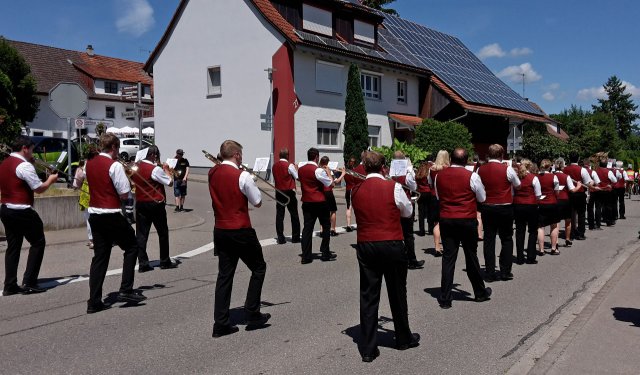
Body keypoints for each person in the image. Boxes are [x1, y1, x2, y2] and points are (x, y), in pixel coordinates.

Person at [350, 151, 420, 362]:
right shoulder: (394, 186)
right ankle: (403, 338)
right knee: (397, 291)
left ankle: (369, 348)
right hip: (391, 242)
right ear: (383, 168)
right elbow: (407, 212)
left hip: (366, 244)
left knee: (369, 295)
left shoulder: (355, 190)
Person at [209, 140, 270, 337]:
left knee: (225, 275)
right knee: (259, 267)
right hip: (240, 229)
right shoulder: (242, 175)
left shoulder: (212, 173)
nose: (241, 157)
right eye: (240, 154)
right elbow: (258, 202)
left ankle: (221, 323)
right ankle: (252, 313)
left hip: (220, 229)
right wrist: (250, 179)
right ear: (236, 155)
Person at [85, 134, 147, 314]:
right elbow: (125, 194)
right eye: (117, 148)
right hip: (111, 214)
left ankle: (94, 301)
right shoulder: (114, 165)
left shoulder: (90, 163)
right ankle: (126, 290)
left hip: (95, 214)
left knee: (100, 257)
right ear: (113, 147)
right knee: (132, 247)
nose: (118, 152)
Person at [0, 136, 58, 296]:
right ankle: (29, 282)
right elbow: (38, 188)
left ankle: (10, 285)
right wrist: (51, 180)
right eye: (32, 149)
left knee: (13, 246)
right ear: (25, 148)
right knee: (38, 242)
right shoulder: (24, 166)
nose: (33, 153)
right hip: (22, 210)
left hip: (6, 208)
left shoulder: (5, 163)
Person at [434, 147, 491, 309]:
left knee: (448, 258)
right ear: (466, 161)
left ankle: (445, 298)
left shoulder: (439, 176)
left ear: (451, 159)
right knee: (471, 256)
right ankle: (479, 292)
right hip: (466, 219)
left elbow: (439, 197)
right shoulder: (472, 176)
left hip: (447, 219)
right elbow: (482, 197)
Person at [131, 145, 179, 272]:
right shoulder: (154, 169)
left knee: (141, 235)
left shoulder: (135, 167)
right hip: (155, 203)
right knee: (162, 233)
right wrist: (167, 170)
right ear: (152, 155)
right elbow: (169, 182)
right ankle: (164, 261)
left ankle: (143, 263)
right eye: (156, 156)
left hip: (141, 203)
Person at [476, 144, 520, 282]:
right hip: (505, 207)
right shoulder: (507, 169)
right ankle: (505, 271)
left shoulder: (480, 170)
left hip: (488, 207)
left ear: (488, 155)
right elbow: (518, 185)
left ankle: (489, 272)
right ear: (502, 156)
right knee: (506, 238)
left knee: (489, 239)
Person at [298, 148, 335, 264]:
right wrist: (328, 172)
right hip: (320, 202)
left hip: (307, 202)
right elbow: (330, 183)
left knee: (307, 229)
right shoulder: (318, 171)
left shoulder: (301, 169)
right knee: (326, 226)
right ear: (317, 157)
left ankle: (306, 256)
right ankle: (325, 252)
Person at [390, 151, 424, 269]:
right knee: (408, 234)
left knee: (395, 232)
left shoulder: (389, 172)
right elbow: (414, 187)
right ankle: (411, 260)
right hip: (405, 203)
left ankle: (396, 258)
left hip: (392, 204)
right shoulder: (407, 172)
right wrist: (410, 170)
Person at [513, 159, 541, 264]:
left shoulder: (516, 178)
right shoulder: (533, 178)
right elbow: (538, 194)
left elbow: (512, 192)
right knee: (532, 231)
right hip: (531, 205)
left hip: (518, 205)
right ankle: (531, 256)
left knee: (520, 231)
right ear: (529, 167)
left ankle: (520, 257)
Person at [272, 148, 301, 244]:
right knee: (294, 215)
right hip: (289, 191)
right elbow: (297, 177)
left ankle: (280, 237)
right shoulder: (289, 165)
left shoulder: (274, 166)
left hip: (279, 191)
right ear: (287, 156)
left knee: (280, 215)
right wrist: (297, 169)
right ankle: (295, 237)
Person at [564, 153, 593, 240]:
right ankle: (581, 233)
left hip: (569, 193)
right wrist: (592, 183)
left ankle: (571, 232)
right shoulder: (582, 170)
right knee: (581, 214)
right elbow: (587, 182)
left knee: (571, 214)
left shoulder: (564, 169)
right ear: (578, 159)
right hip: (580, 193)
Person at [554, 158, 582, 248]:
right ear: (563, 166)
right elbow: (572, 190)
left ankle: (556, 241)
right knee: (568, 221)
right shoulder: (566, 176)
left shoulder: (552, 175)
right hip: (565, 200)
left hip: (555, 200)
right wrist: (578, 186)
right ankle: (567, 239)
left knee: (556, 222)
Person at [428, 150, 450, 255]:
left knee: (436, 223)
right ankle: (446, 245)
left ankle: (437, 246)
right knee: (445, 223)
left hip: (433, 196)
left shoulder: (431, 169)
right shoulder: (448, 169)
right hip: (445, 197)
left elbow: (430, 183)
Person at [537, 159, 560, 255]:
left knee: (540, 227)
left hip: (540, 203)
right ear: (550, 166)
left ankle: (541, 250)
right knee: (554, 225)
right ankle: (553, 248)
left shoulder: (536, 177)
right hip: (552, 202)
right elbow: (557, 191)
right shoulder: (554, 177)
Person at [318, 156, 344, 236]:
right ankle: (332, 229)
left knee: (322, 212)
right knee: (332, 211)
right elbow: (333, 183)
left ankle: (322, 230)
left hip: (321, 192)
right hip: (329, 192)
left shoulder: (318, 170)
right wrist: (342, 174)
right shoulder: (329, 171)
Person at [73, 158, 93, 249]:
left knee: (89, 218)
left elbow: (76, 183)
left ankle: (92, 240)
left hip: (87, 193)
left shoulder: (85, 166)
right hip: (99, 193)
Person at [594, 155, 617, 227]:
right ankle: (608, 221)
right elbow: (615, 180)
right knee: (608, 206)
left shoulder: (596, 171)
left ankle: (598, 223)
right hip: (607, 190)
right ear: (606, 165)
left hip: (598, 190)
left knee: (598, 207)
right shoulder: (608, 172)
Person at [415, 160, 432, 236]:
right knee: (429, 211)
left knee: (421, 212)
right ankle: (430, 229)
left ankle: (421, 230)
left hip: (420, 193)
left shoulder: (418, 175)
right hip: (428, 192)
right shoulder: (427, 174)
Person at [342, 157, 359, 232]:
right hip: (354, 190)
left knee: (348, 207)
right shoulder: (355, 172)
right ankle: (356, 224)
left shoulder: (345, 171)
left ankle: (348, 225)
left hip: (347, 190)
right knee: (356, 208)